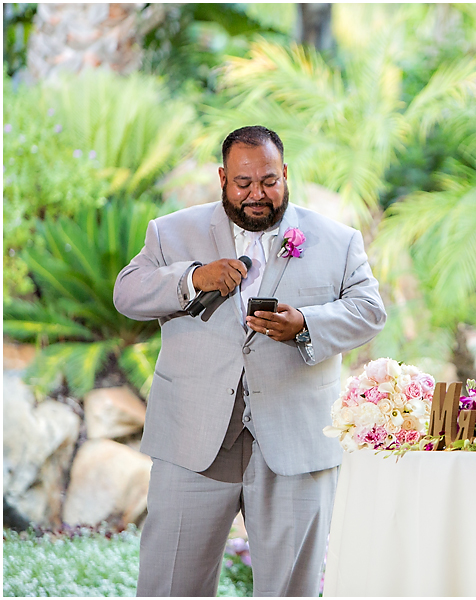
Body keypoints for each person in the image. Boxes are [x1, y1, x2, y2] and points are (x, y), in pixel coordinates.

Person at [113, 125, 386, 596]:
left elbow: (369, 311)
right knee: (169, 585)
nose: (257, 194)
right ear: (222, 178)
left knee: (290, 591)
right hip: (191, 444)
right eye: (243, 183)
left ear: (286, 175)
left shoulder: (337, 241)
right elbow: (127, 293)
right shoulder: (172, 232)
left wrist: (305, 323)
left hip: (296, 445)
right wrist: (193, 277)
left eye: (269, 181)